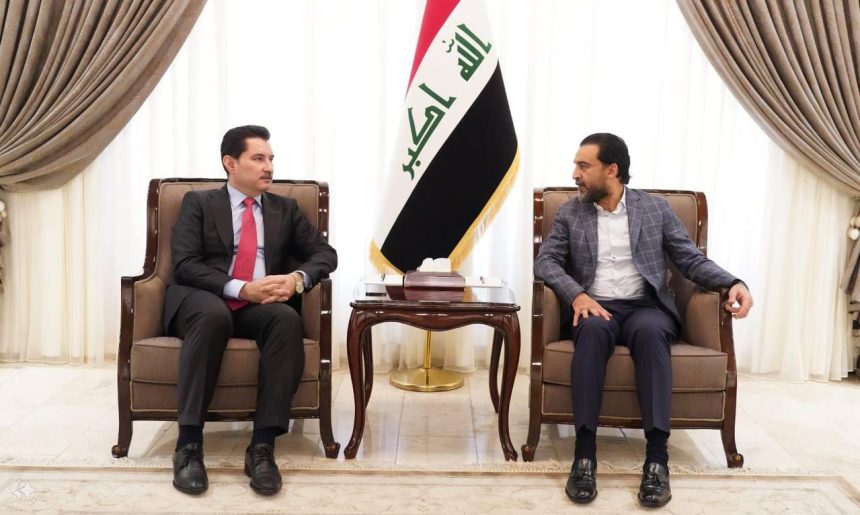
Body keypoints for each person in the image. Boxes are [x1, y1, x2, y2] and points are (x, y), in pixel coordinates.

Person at [534, 133, 752, 507]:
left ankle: (656, 460)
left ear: (611, 170)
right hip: (595, 306)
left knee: (652, 334)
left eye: (583, 166)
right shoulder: (571, 212)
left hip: (644, 307)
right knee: (591, 332)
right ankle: (584, 457)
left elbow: (689, 259)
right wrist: (577, 295)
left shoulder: (654, 210)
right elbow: (546, 262)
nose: (575, 174)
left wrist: (733, 282)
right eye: (576, 166)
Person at [164, 125, 337, 496]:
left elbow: (325, 255)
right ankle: (189, 445)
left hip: (258, 305)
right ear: (231, 163)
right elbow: (185, 264)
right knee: (213, 315)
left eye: (270, 158)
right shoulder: (198, 203)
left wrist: (296, 279)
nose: (268, 167)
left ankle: (262, 447)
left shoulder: (285, 209)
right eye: (258, 158)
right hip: (204, 297)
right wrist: (241, 288)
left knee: (286, 319)